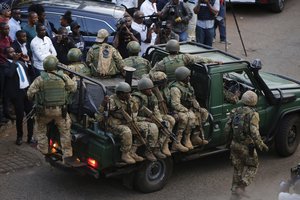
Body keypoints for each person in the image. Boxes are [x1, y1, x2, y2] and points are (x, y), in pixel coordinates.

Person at [27, 55, 77, 164]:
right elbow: (73, 88)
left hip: (44, 112)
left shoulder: (40, 79)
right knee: (65, 132)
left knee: (40, 128)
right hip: (60, 112)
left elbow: (30, 93)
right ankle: (67, 155)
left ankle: (43, 149)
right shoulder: (64, 77)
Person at [224, 90, 269, 200]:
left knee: (237, 169)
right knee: (253, 166)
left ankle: (234, 195)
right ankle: (242, 185)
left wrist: (228, 142)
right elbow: (254, 132)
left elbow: (227, 129)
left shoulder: (235, 111)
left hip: (234, 144)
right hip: (247, 146)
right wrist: (261, 144)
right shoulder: (253, 114)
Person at [97, 82, 144, 164]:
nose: (129, 94)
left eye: (129, 92)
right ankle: (125, 154)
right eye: (127, 93)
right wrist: (103, 105)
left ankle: (132, 152)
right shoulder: (112, 101)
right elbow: (101, 114)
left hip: (127, 121)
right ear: (120, 94)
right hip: (113, 124)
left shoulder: (130, 100)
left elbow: (134, 112)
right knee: (126, 131)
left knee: (142, 129)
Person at [169, 66, 209, 151]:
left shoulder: (187, 85)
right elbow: (175, 104)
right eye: (188, 76)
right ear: (183, 77)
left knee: (204, 112)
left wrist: (196, 105)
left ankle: (195, 136)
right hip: (178, 110)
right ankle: (179, 141)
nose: (189, 78)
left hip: (188, 107)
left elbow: (192, 97)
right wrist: (187, 110)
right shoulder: (175, 89)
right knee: (189, 117)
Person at [2, 47, 34, 145]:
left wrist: (28, 62)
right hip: (17, 93)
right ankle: (19, 137)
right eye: (10, 52)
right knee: (20, 116)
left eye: (13, 51)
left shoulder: (20, 63)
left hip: (26, 91)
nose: (13, 53)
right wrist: (14, 61)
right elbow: (9, 75)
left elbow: (31, 73)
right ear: (5, 55)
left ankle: (30, 137)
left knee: (30, 115)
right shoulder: (5, 65)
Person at [132, 77, 167, 159]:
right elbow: (133, 117)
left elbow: (156, 110)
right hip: (138, 120)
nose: (151, 91)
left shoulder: (152, 96)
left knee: (165, 125)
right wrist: (145, 119)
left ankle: (157, 148)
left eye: (151, 89)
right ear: (143, 90)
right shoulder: (136, 100)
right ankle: (149, 151)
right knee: (153, 127)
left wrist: (160, 121)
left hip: (149, 118)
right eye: (148, 89)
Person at [150, 39, 219, 80]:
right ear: (178, 50)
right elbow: (199, 59)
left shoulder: (162, 63)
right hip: (184, 85)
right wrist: (214, 61)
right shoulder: (184, 58)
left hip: (170, 87)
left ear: (167, 50)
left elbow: (151, 73)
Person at [150, 71, 176, 156]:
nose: (166, 82)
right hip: (156, 114)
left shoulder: (165, 89)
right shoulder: (152, 92)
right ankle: (162, 145)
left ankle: (167, 143)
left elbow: (169, 101)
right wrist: (161, 120)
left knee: (174, 118)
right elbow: (155, 108)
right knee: (169, 122)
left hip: (165, 111)